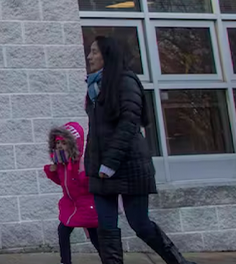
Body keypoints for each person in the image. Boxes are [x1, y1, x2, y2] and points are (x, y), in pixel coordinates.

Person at [84, 36, 197, 264]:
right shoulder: (94, 87)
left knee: (140, 224)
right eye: (90, 52)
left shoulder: (126, 82)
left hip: (129, 167)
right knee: (105, 226)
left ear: (108, 54)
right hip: (101, 169)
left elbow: (128, 125)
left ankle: (180, 263)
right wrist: (89, 163)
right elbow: (96, 132)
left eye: (94, 52)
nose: (89, 57)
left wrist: (110, 164)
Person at [44, 122, 100, 264]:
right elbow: (63, 183)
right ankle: (65, 261)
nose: (60, 146)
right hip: (71, 204)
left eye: (63, 142)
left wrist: (83, 173)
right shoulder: (62, 163)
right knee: (63, 231)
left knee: (94, 235)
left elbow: (88, 184)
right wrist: (53, 171)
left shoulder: (82, 161)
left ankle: (109, 258)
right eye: (57, 143)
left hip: (86, 204)